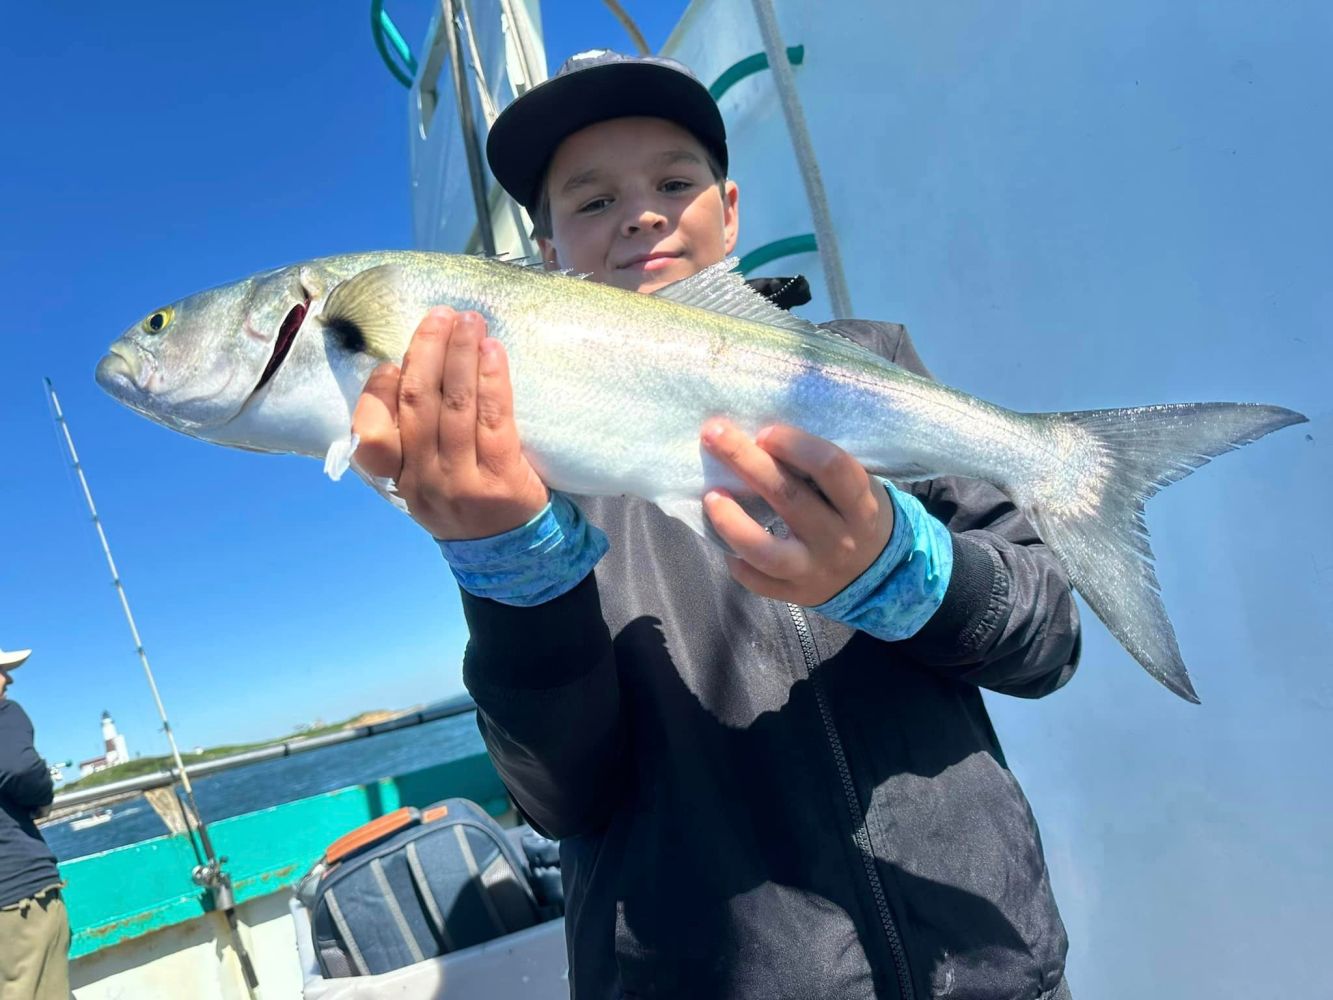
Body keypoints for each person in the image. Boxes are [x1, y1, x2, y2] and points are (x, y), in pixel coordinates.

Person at [354, 50, 1079, 1000]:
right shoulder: (531, 470)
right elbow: (556, 793)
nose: (642, 213)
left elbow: (1045, 643)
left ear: (728, 210)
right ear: (547, 256)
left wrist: (896, 566)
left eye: (673, 181)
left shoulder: (867, 363)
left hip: (989, 969)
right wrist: (514, 569)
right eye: (590, 200)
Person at [0, 646, 69, 1000]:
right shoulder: (4, 712)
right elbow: (20, 768)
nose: (8, 678)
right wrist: (42, 798)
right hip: (19, 898)